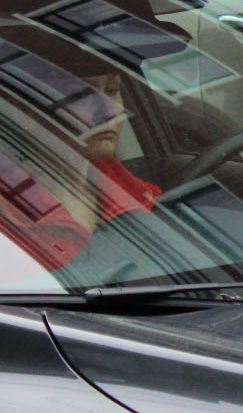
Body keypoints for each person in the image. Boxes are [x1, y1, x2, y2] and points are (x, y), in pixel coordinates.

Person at [0, 68, 161, 272]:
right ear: (22, 108)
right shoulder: (8, 225)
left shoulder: (139, 196)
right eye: (81, 95)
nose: (110, 110)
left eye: (112, 89)